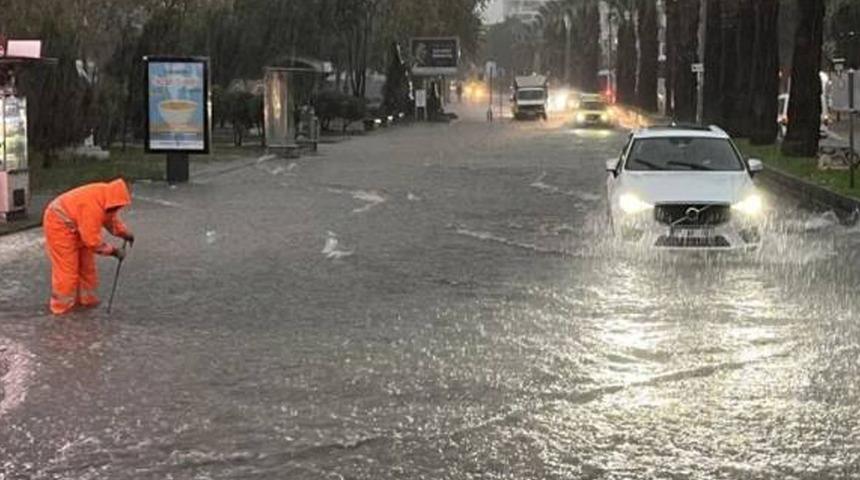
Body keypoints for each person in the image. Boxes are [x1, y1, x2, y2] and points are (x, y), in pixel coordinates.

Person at [43, 179, 134, 315]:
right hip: (59, 224)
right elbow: (92, 242)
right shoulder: (93, 207)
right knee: (67, 271)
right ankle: (61, 309)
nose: (117, 209)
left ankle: (87, 301)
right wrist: (114, 251)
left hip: (76, 223)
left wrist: (125, 233)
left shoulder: (107, 200)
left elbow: (110, 220)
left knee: (87, 268)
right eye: (117, 207)